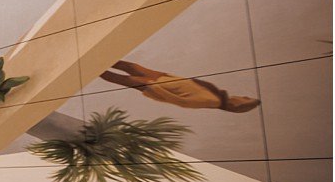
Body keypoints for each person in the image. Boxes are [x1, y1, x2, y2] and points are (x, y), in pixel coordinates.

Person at [100, 60, 260, 112]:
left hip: (157, 85)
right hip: (163, 79)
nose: (242, 96)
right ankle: (100, 59)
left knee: (123, 78)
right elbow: (191, 85)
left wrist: (154, 86)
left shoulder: (213, 101)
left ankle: (93, 67)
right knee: (130, 67)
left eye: (245, 99)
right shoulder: (217, 95)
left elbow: (182, 102)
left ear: (239, 104)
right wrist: (164, 76)